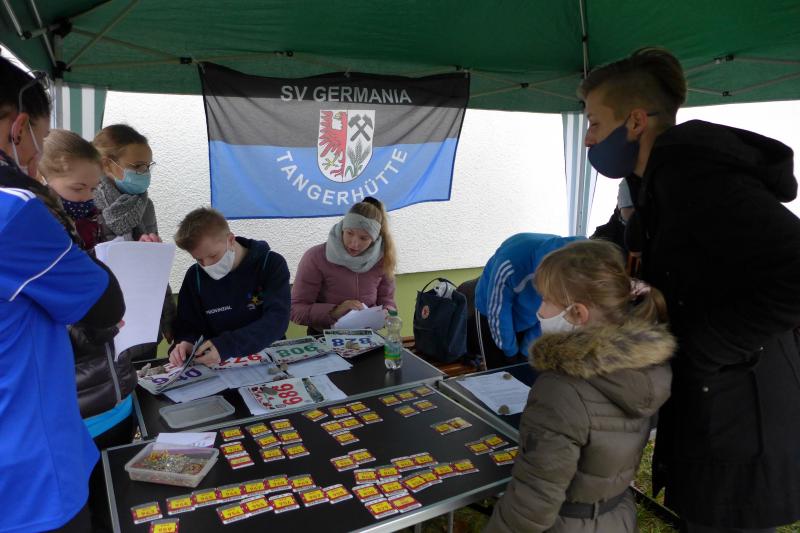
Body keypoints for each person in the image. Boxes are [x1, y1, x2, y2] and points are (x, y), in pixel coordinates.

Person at [581, 47, 800, 531]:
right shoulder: (657, 186)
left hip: (741, 416)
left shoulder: (698, 179)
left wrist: (704, 346)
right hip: (711, 407)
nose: (588, 139)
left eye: (594, 123)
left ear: (635, 121)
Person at [0, 58, 125, 532]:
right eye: (40, 140)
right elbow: (105, 302)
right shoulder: (17, 211)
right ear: (18, 129)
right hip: (30, 475)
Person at [485, 239, 674, 533]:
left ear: (577, 314)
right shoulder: (646, 370)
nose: (539, 310)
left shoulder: (560, 390)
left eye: (546, 300)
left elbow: (532, 503)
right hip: (617, 517)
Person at [39, 129, 137, 532]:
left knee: (119, 508)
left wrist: (141, 256)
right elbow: (48, 333)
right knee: (89, 513)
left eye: (94, 188)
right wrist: (101, 327)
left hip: (119, 397)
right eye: (77, 188)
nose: (87, 199)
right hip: (78, 412)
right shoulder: (39, 242)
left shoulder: (102, 224)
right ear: (42, 178)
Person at [93, 124, 175, 360]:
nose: (144, 173)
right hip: (104, 331)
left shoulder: (145, 206)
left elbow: (157, 271)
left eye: (148, 166)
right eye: (137, 166)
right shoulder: (86, 204)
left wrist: (169, 318)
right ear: (107, 164)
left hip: (143, 324)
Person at [170, 207, 290, 366]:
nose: (207, 265)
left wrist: (226, 346)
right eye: (199, 259)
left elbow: (277, 321)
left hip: (268, 358)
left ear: (231, 240)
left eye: (213, 255)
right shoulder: (195, 276)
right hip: (217, 364)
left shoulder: (270, 264)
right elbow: (188, 325)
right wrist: (186, 342)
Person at [465, 233, 581, 369]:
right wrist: (510, 352)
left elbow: (545, 316)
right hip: (492, 316)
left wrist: (526, 350)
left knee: (526, 365)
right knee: (498, 370)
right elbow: (498, 312)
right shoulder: (509, 261)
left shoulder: (574, 271)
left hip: (530, 316)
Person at [291, 197, 397, 334]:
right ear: (342, 228)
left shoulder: (383, 259)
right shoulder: (316, 257)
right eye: (349, 233)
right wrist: (335, 311)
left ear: (374, 239)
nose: (354, 243)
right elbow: (295, 309)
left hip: (368, 337)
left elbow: (388, 302)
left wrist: (387, 313)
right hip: (324, 337)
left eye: (364, 238)